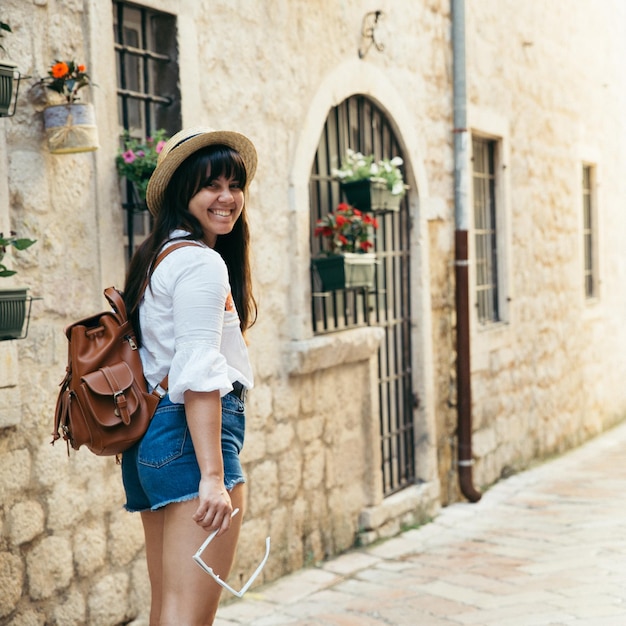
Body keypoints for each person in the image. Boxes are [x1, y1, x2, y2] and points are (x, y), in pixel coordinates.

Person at [121, 127, 258, 625]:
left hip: (155, 442)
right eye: (210, 186)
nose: (226, 198)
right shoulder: (200, 263)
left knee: (168, 609)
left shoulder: (158, 255)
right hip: (190, 439)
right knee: (187, 618)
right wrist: (214, 477)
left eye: (234, 184)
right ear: (184, 193)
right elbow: (199, 374)